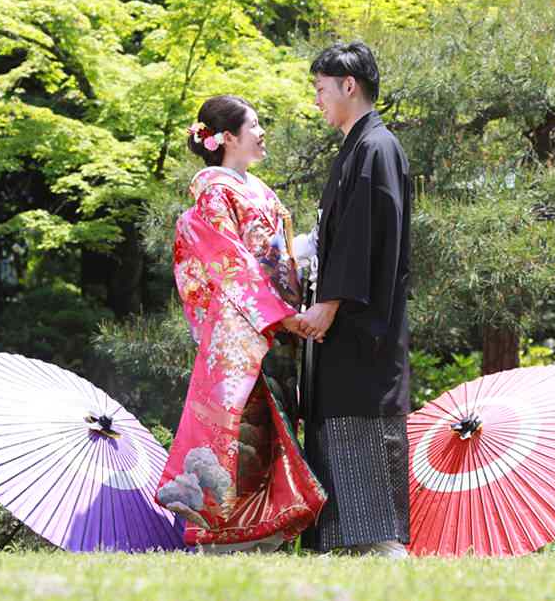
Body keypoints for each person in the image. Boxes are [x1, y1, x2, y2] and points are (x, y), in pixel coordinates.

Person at [155, 95, 325, 553]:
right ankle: (225, 536)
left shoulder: (258, 190)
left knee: (271, 430)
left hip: (273, 327)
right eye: (255, 125)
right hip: (243, 331)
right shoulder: (215, 192)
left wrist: (310, 247)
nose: (262, 132)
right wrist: (282, 313)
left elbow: (274, 255)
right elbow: (232, 265)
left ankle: (263, 532)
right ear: (228, 137)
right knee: (240, 432)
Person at [298, 42, 412, 557]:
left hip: (364, 322)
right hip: (345, 320)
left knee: (361, 419)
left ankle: (379, 543)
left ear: (349, 85)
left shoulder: (377, 147)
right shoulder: (356, 148)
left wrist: (331, 302)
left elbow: (364, 237)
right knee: (337, 420)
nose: (317, 100)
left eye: (321, 89)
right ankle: (346, 543)